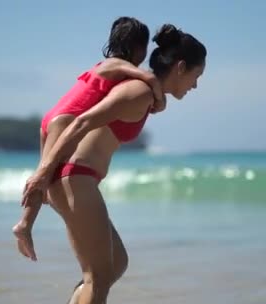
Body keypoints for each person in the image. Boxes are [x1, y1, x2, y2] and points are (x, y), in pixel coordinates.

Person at [21, 23, 207, 304]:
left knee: (115, 263)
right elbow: (81, 121)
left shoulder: (147, 94)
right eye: (196, 76)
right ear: (180, 67)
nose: (195, 86)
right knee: (98, 276)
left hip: (77, 179)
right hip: (73, 178)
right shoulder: (138, 92)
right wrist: (43, 172)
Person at [12, 16, 166, 261]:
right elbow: (149, 78)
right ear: (137, 48)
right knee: (42, 176)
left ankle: (26, 223)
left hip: (53, 118)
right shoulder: (118, 66)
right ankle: (24, 225)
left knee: (42, 173)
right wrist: (160, 100)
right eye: (144, 49)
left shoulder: (102, 65)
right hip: (64, 121)